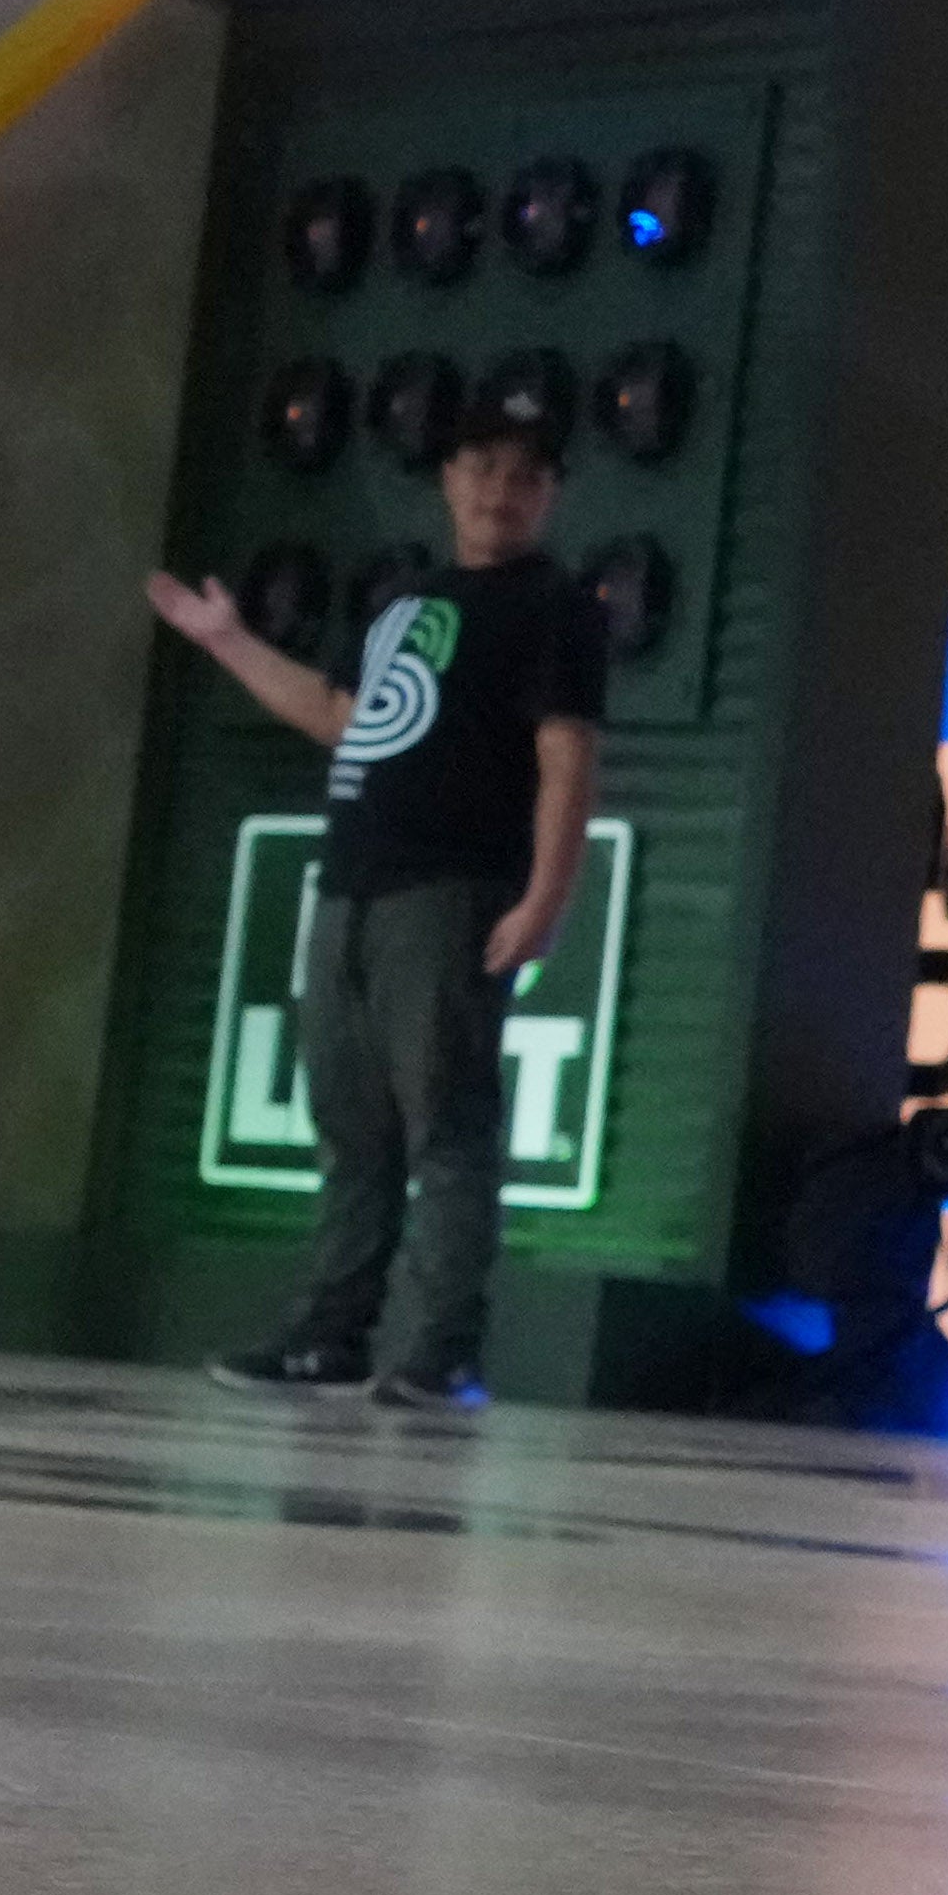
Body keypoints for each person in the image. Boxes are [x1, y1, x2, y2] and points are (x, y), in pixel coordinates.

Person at [151, 402, 607, 1413]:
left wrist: (546, 895)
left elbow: (566, 754)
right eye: (481, 465)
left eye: (525, 475)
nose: (499, 489)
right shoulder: (406, 600)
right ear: (447, 476)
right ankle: (331, 1333)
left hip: (449, 889)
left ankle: (444, 1346)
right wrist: (227, 641)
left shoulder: (553, 606)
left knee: (447, 1119)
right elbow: (341, 715)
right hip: (351, 885)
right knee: (351, 1127)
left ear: (550, 495)